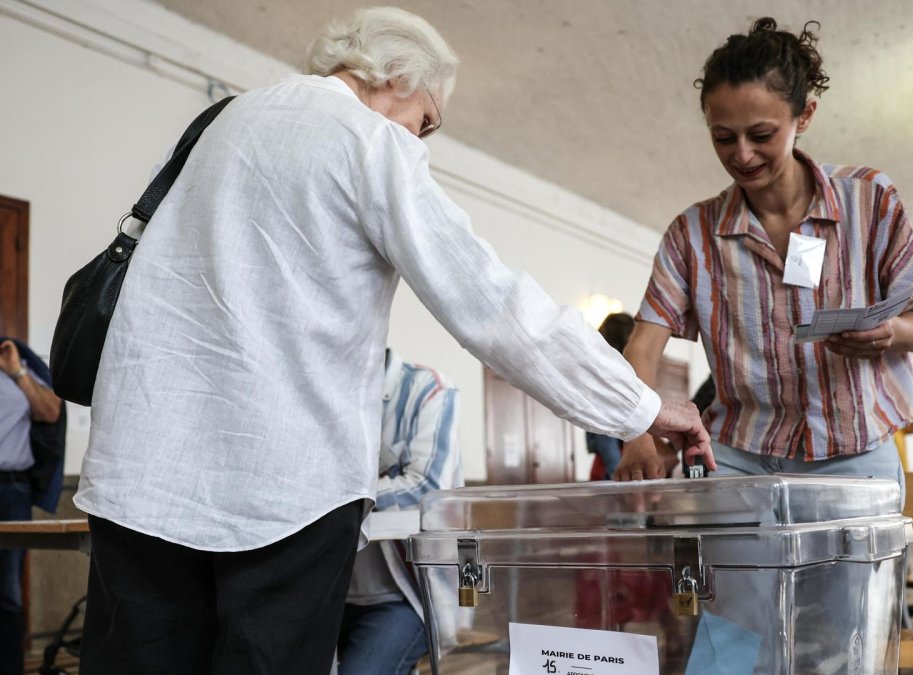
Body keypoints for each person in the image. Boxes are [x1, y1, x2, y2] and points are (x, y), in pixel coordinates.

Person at [72, 8, 710, 674]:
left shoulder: (222, 122)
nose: (423, 139)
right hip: (281, 488)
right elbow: (492, 302)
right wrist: (639, 405)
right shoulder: (368, 141)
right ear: (397, 75)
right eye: (428, 120)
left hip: (142, 475)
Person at [615, 18, 913, 495]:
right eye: (724, 137)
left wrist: (888, 332)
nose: (742, 155)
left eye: (761, 134)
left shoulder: (869, 200)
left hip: (855, 457)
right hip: (738, 459)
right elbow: (642, 347)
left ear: (804, 116)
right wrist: (636, 432)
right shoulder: (692, 235)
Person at [337, 355, 460, 674]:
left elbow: (428, 488)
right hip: (325, 590)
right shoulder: (311, 384)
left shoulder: (426, 388)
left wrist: (333, 494)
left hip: (404, 598)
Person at [0, 339, 62, 675]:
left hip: (10, 490)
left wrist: (17, 371)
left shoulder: (14, 362)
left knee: (7, 592)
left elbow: (50, 411)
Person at [585, 313, 635, 480]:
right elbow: (604, 436)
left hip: (613, 462)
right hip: (614, 466)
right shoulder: (608, 378)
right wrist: (620, 475)